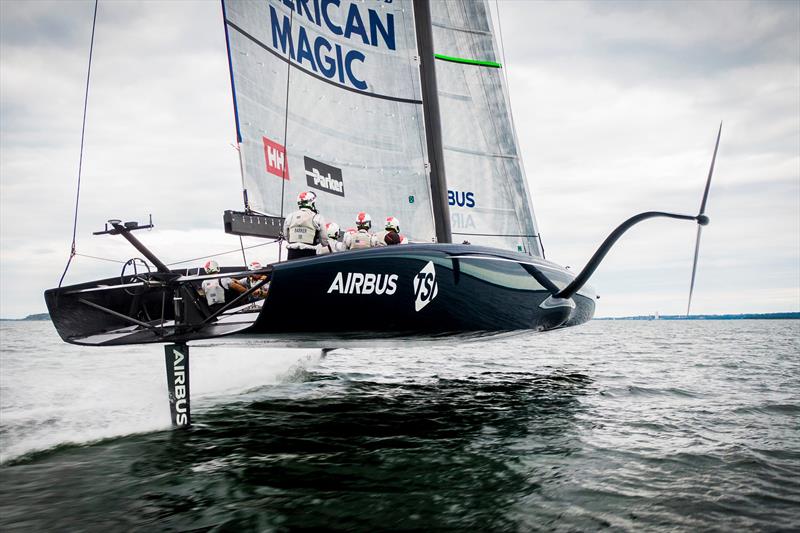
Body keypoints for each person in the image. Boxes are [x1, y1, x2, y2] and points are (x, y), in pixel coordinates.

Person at [283, 191, 328, 260]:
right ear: (311, 203)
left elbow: (286, 236)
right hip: (309, 254)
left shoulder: (290, 216)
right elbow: (324, 240)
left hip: (292, 253)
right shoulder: (318, 217)